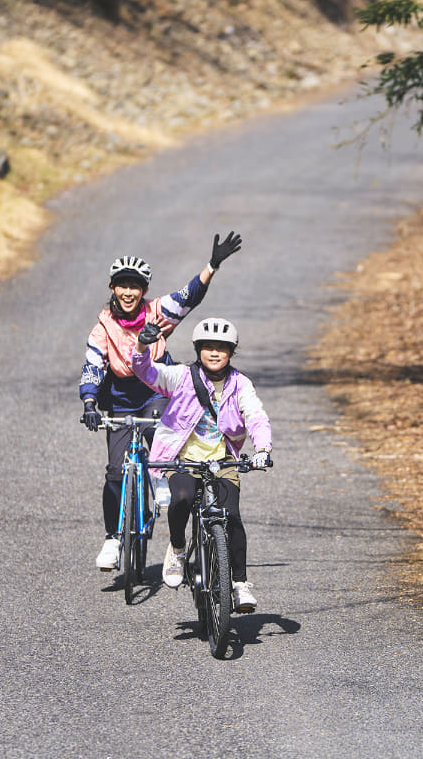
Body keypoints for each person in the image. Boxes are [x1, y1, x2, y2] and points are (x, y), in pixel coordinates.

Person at [79, 233, 242, 572]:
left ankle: (161, 484)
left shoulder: (157, 312)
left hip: (156, 393)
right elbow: (93, 365)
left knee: (161, 449)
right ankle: (112, 538)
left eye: (135, 286)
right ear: (112, 288)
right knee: (114, 470)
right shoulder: (102, 327)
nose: (128, 292)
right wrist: (90, 402)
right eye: (122, 285)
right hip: (121, 400)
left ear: (144, 289)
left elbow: (188, 297)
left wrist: (212, 265)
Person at [131, 316, 272, 613]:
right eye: (208, 347)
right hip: (182, 458)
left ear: (231, 352)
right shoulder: (182, 376)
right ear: (197, 350)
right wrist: (143, 345)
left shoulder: (240, 383)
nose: (214, 353)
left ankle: (240, 584)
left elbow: (256, 416)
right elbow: (145, 371)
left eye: (222, 347)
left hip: (222, 460)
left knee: (231, 516)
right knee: (181, 499)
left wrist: (262, 449)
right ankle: (178, 550)